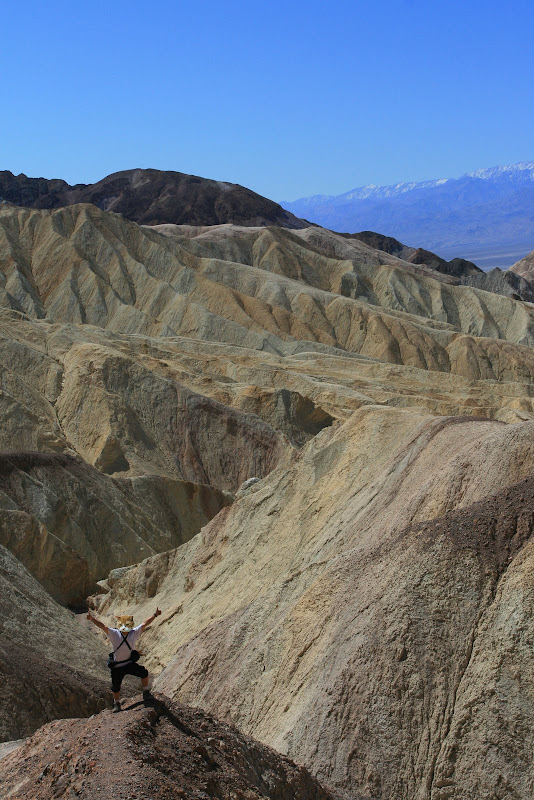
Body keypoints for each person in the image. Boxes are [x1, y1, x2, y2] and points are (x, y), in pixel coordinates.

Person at [87, 608, 162, 713]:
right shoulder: (124, 633)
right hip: (119, 666)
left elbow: (145, 623)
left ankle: (144, 692)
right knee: (116, 687)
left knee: (143, 673)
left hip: (127, 664)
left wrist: (155, 615)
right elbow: (102, 626)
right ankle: (117, 703)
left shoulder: (127, 633)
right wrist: (92, 619)